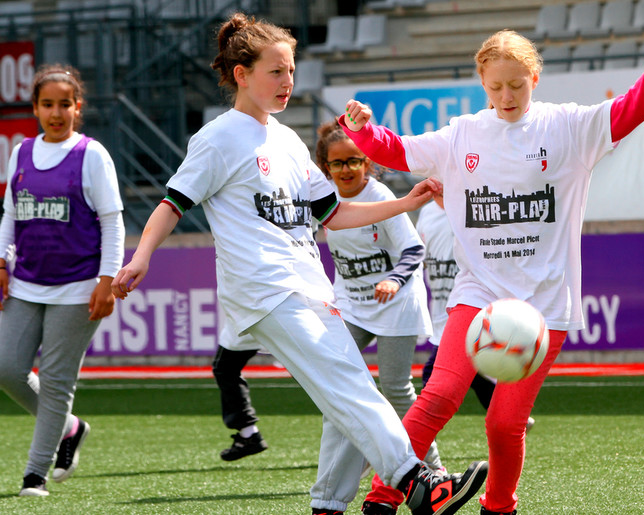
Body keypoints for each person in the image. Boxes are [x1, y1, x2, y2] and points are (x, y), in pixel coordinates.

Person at [110, 13, 486, 515]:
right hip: (264, 289)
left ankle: (327, 504)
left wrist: (405, 202)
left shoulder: (286, 139)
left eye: (291, 71)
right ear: (241, 74)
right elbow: (172, 203)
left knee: (344, 392)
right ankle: (419, 483)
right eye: (276, 71)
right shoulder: (217, 138)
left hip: (309, 285)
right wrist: (140, 257)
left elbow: (334, 212)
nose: (288, 82)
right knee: (348, 382)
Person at [340, 8, 644, 515]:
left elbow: (634, 107)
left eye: (516, 86)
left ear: (534, 78)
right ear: (482, 82)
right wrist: (362, 133)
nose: (506, 98)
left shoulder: (569, 127)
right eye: (495, 88)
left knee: (504, 424)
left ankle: (498, 507)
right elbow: (399, 151)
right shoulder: (462, 134)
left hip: (544, 307)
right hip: (478, 294)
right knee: (439, 394)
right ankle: (381, 499)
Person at [0, 64, 125, 497]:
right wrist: (2, 263)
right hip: (26, 282)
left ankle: (34, 475)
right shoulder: (21, 153)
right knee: (6, 367)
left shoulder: (92, 155)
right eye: (47, 104)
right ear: (35, 108)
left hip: (78, 286)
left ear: (78, 108)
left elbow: (112, 223)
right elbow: (10, 215)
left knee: (55, 381)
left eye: (65, 104)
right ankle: (69, 428)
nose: (56, 113)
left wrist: (107, 281)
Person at [316, 122, 443, 471]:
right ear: (326, 166)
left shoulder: (381, 197)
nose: (346, 170)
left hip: (396, 303)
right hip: (352, 305)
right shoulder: (322, 197)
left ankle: (433, 467)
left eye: (354, 161)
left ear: (367, 162)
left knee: (396, 387)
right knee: (337, 380)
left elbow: (414, 249)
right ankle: (366, 457)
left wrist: (393, 280)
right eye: (337, 163)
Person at [416, 191, 532, 431]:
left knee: (432, 379)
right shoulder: (426, 213)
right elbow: (421, 258)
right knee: (475, 372)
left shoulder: (472, 210)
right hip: (440, 310)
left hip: (467, 309)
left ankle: (411, 450)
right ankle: (508, 415)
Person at [211, 318, 269, 461]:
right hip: (283, 312)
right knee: (311, 372)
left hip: (252, 313)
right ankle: (248, 435)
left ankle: (248, 435)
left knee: (225, 370)